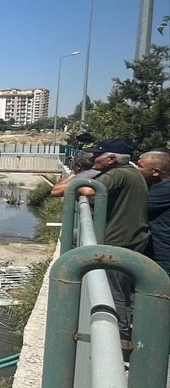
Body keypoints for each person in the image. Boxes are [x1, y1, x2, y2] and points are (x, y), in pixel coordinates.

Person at [50, 137, 149, 341]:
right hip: (131, 237)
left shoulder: (118, 174)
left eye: (97, 155)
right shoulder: (130, 173)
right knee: (120, 290)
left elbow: (85, 190)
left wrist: (83, 176)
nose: (93, 157)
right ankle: (122, 331)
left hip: (119, 241)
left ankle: (119, 338)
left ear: (111, 158)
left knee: (115, 293)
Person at [136, 149, 170, 275]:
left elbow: (135, 208)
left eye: (140, 166)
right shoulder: (157, 187)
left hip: (163, 256)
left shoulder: (164, 190)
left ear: (156, 172)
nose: (135, 169)